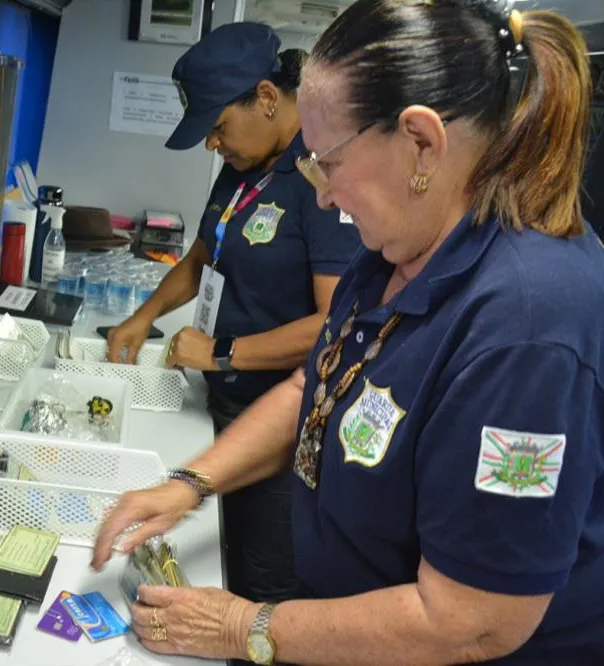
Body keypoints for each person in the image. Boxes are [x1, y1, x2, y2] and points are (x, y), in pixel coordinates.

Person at [92, 2, 604, 664]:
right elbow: (320, 385)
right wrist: (189, 484)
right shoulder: (397, 247)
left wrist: (243, 626)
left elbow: (470, 621)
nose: (324, 198)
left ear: (421, 141)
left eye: (327, 163)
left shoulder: (528, 329)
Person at [106, 22, 360, 604]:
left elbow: (334, 322)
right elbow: (201, 257)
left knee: (259, 585)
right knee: (222, 558)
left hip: (281, 435)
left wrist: (222, 353)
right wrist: (145, 315)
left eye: (218, 127)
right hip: (223, 405)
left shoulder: (319, 179)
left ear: (267, 98)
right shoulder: (246, 166)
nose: (211, 144)